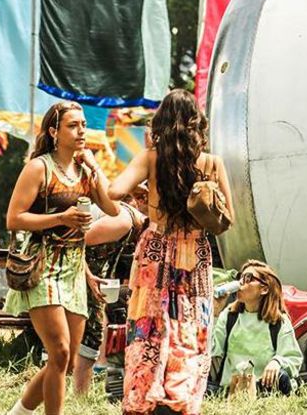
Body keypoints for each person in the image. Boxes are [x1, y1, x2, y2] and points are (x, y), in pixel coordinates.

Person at [111, 89, 232, 415]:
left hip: (156, 252)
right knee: (190, 328)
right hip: (195, 255)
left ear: (161, 120)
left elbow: (114, 191)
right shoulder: (212, 164)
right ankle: (179, 400)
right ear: (197, 123)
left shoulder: (150, 158)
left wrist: (143, 191)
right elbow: (227, 220)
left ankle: (145, 399)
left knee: (150, 328)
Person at [2, 102, 120, 415]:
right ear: (54, 131)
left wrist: (95, 167)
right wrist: (61, 218)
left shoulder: (85, 171)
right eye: (73, 125)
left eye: (83, 124)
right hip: (43, 266)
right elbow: (14, 219)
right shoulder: (39, 167)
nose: (81, 130)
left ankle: (18, 413)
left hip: (73, 269)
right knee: (60, 351)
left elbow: (113, 209)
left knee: (63, 362)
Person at [72, 189, 148, 398]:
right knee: (92, 332)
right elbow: (74, 242)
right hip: (74, 271)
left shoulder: (132, 227)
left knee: (90, 332)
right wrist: (89, 277)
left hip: (89, 275)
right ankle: (79, 396)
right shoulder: (123, 222)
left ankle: (80, 393)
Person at [209, 261, 303, 397]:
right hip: (232, 388)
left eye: (248, 278)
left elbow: (294, 359)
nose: (241, 283)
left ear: (264, 289)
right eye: (240, 277)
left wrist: (277, 361)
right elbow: (210, 351)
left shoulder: (278, 322)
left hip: (263, 387)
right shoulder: (229, 316)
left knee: (282, 376)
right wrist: (215, 313)